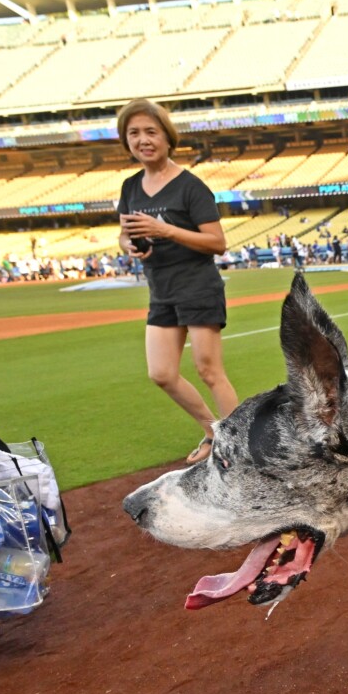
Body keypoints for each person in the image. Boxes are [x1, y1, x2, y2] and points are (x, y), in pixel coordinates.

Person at [116, 98, 238, 464]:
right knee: (162, 373)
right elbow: (123, 233)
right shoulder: (130, 186)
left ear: (168, 139)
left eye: (151, 132)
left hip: (197, 286)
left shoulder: (190, 186)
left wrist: (164, 229)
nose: (143, 140)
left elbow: (217, 243)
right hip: (162, 291)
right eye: (134, 133)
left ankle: (240, 446)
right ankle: (212, 432)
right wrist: (128, 245)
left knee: (208, 370)